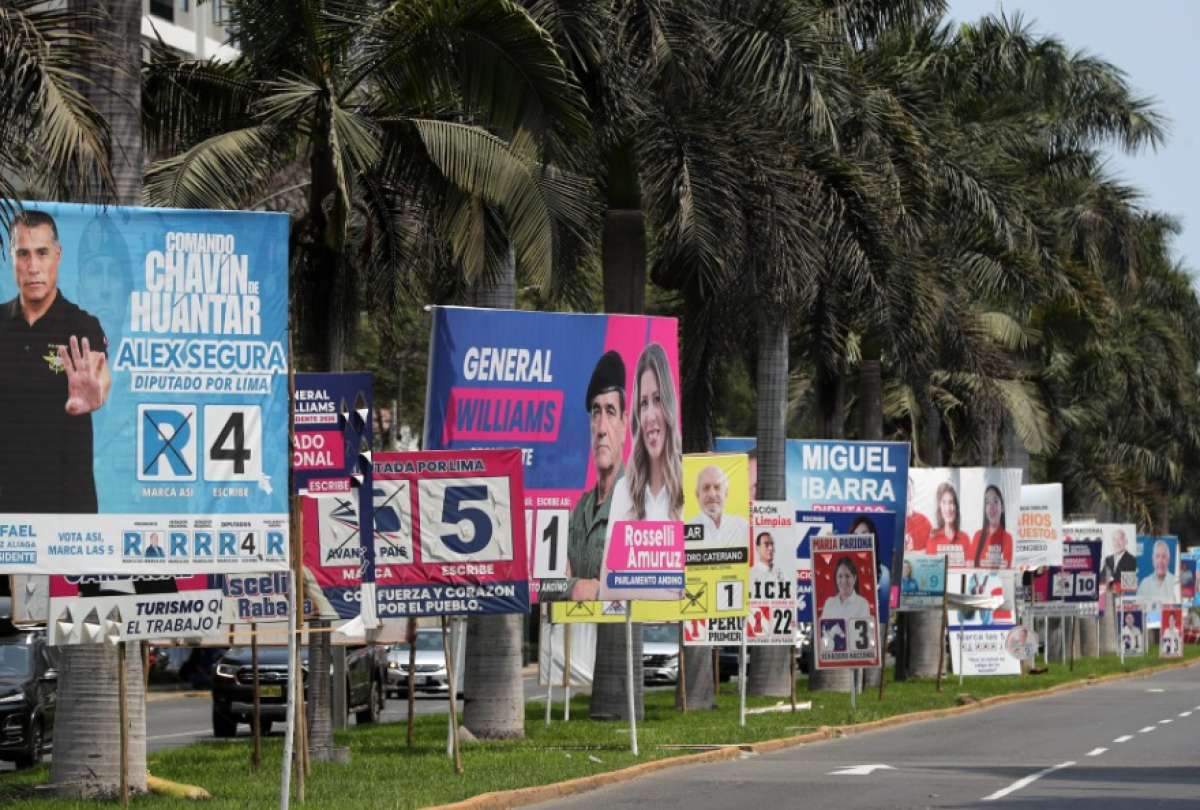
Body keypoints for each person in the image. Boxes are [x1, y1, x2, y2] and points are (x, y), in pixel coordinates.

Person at [0, 210, 110, 513]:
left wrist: (95, 392)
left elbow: (101, 375)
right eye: (23, 254)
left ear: (57, 255)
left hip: (66, 509)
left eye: (42, 253)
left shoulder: (81, 324)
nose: (33, 266)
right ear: (11, 258)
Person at [543, 351, 626, 602]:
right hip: (576, 639)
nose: (601, 428)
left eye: (610, 412)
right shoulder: (579, 510)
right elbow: (547, 582)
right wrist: (575, 587)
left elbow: (647, 583)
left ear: (624, 425)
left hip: (621, 639)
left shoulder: (637, 504)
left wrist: (600, 590)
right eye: (595, 413)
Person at [607, 342, 683, 523]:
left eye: (658, 400)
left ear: (670, 405)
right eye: (643, 403)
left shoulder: (691, 487)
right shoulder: (622, 491)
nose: (650, 415)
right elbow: (610, 552)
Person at [687, 464, 749, 547]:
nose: (712, 494)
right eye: (706, 487)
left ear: (726, 493)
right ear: (697, 495)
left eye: (717, 487)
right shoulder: (685, 530)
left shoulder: (743, 527)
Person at [971, 485, 1012, 568]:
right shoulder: (977, 536)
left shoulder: (1007, 538)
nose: (991, 507)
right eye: (987, 502)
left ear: (1003, 508)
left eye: (995, 501)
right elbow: (971, 566)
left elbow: (1006, 567)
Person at [820, 556, 872, 621]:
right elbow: (823, 629)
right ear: (836, 579)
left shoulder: (863, 604)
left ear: (855, 578)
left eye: (847, 576)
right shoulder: (829, 603)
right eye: (840, 576)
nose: (844, 581)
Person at [929, 481, 970, 563]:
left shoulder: (965, 538)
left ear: (956, 506)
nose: (948, 508)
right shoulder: (933, 538)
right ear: (939, 508)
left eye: (951, 502)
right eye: (944, 503)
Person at [1136, 539, 1178, 606]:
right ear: (1153, 559)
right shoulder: (1144, 584)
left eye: (1163, 557)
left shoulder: (1176, 582)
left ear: (1168, 560)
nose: (1160, 561)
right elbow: (1137, 608)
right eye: (1157, 556)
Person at [904, 474, 931, 553]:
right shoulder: (891, 521)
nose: (906, 492)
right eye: (903, 487)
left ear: (913, 492)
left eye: (908, 488)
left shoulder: (924, 522)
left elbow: (930, 553)